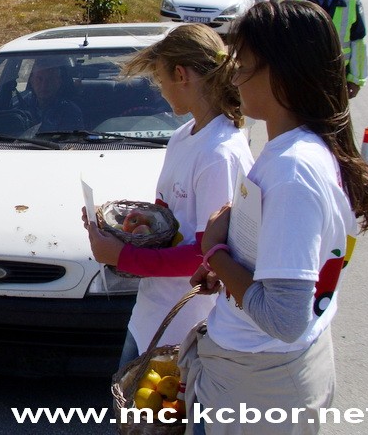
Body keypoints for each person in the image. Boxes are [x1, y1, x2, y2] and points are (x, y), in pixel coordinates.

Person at [183, 0, 368, 434]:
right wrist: (232, 264)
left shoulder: (293, 170)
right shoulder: (305, 148)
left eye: (244, 65)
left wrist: (215, 252)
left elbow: (284, 319)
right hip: (266, 375)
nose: (234, 77)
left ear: (282, 73)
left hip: (259, 384)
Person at [85, 23, 254, 368]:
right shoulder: (183, 136)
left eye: (160, 80)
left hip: (185, 326)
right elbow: (169, 220)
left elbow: (207, 257)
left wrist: (122, 256)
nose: (161, 91)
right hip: (150, 313)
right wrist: (128, 224)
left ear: (180, 75)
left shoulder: (219, 154)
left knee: (149, 403)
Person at [288, 0, 367, 99]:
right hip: (304, 74)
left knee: (334, 113)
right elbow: (282, 37)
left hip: (337, 75)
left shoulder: (351, 0)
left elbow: (358, 42)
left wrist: (356, 80)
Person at [20, 56, 84, 131]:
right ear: (31, 81)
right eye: (39, 79)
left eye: (50, 79)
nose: (44, 85)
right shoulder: (22, 106)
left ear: (58, 82)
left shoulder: (70, 112)